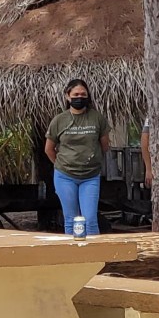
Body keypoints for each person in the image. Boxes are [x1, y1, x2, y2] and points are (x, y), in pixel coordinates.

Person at [45, 79, 112, 236]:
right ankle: (73, 256)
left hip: (90, 176)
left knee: (90, 219)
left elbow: (105, 145)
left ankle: (95, 255)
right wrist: (62, 165)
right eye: (75, 94)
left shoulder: (97, 118)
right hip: (65, 176)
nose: (79, 97)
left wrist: (92, 159)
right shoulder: (59, 120)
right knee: (71, 219)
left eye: (83, 94)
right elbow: (49, 149)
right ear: (68, 96)